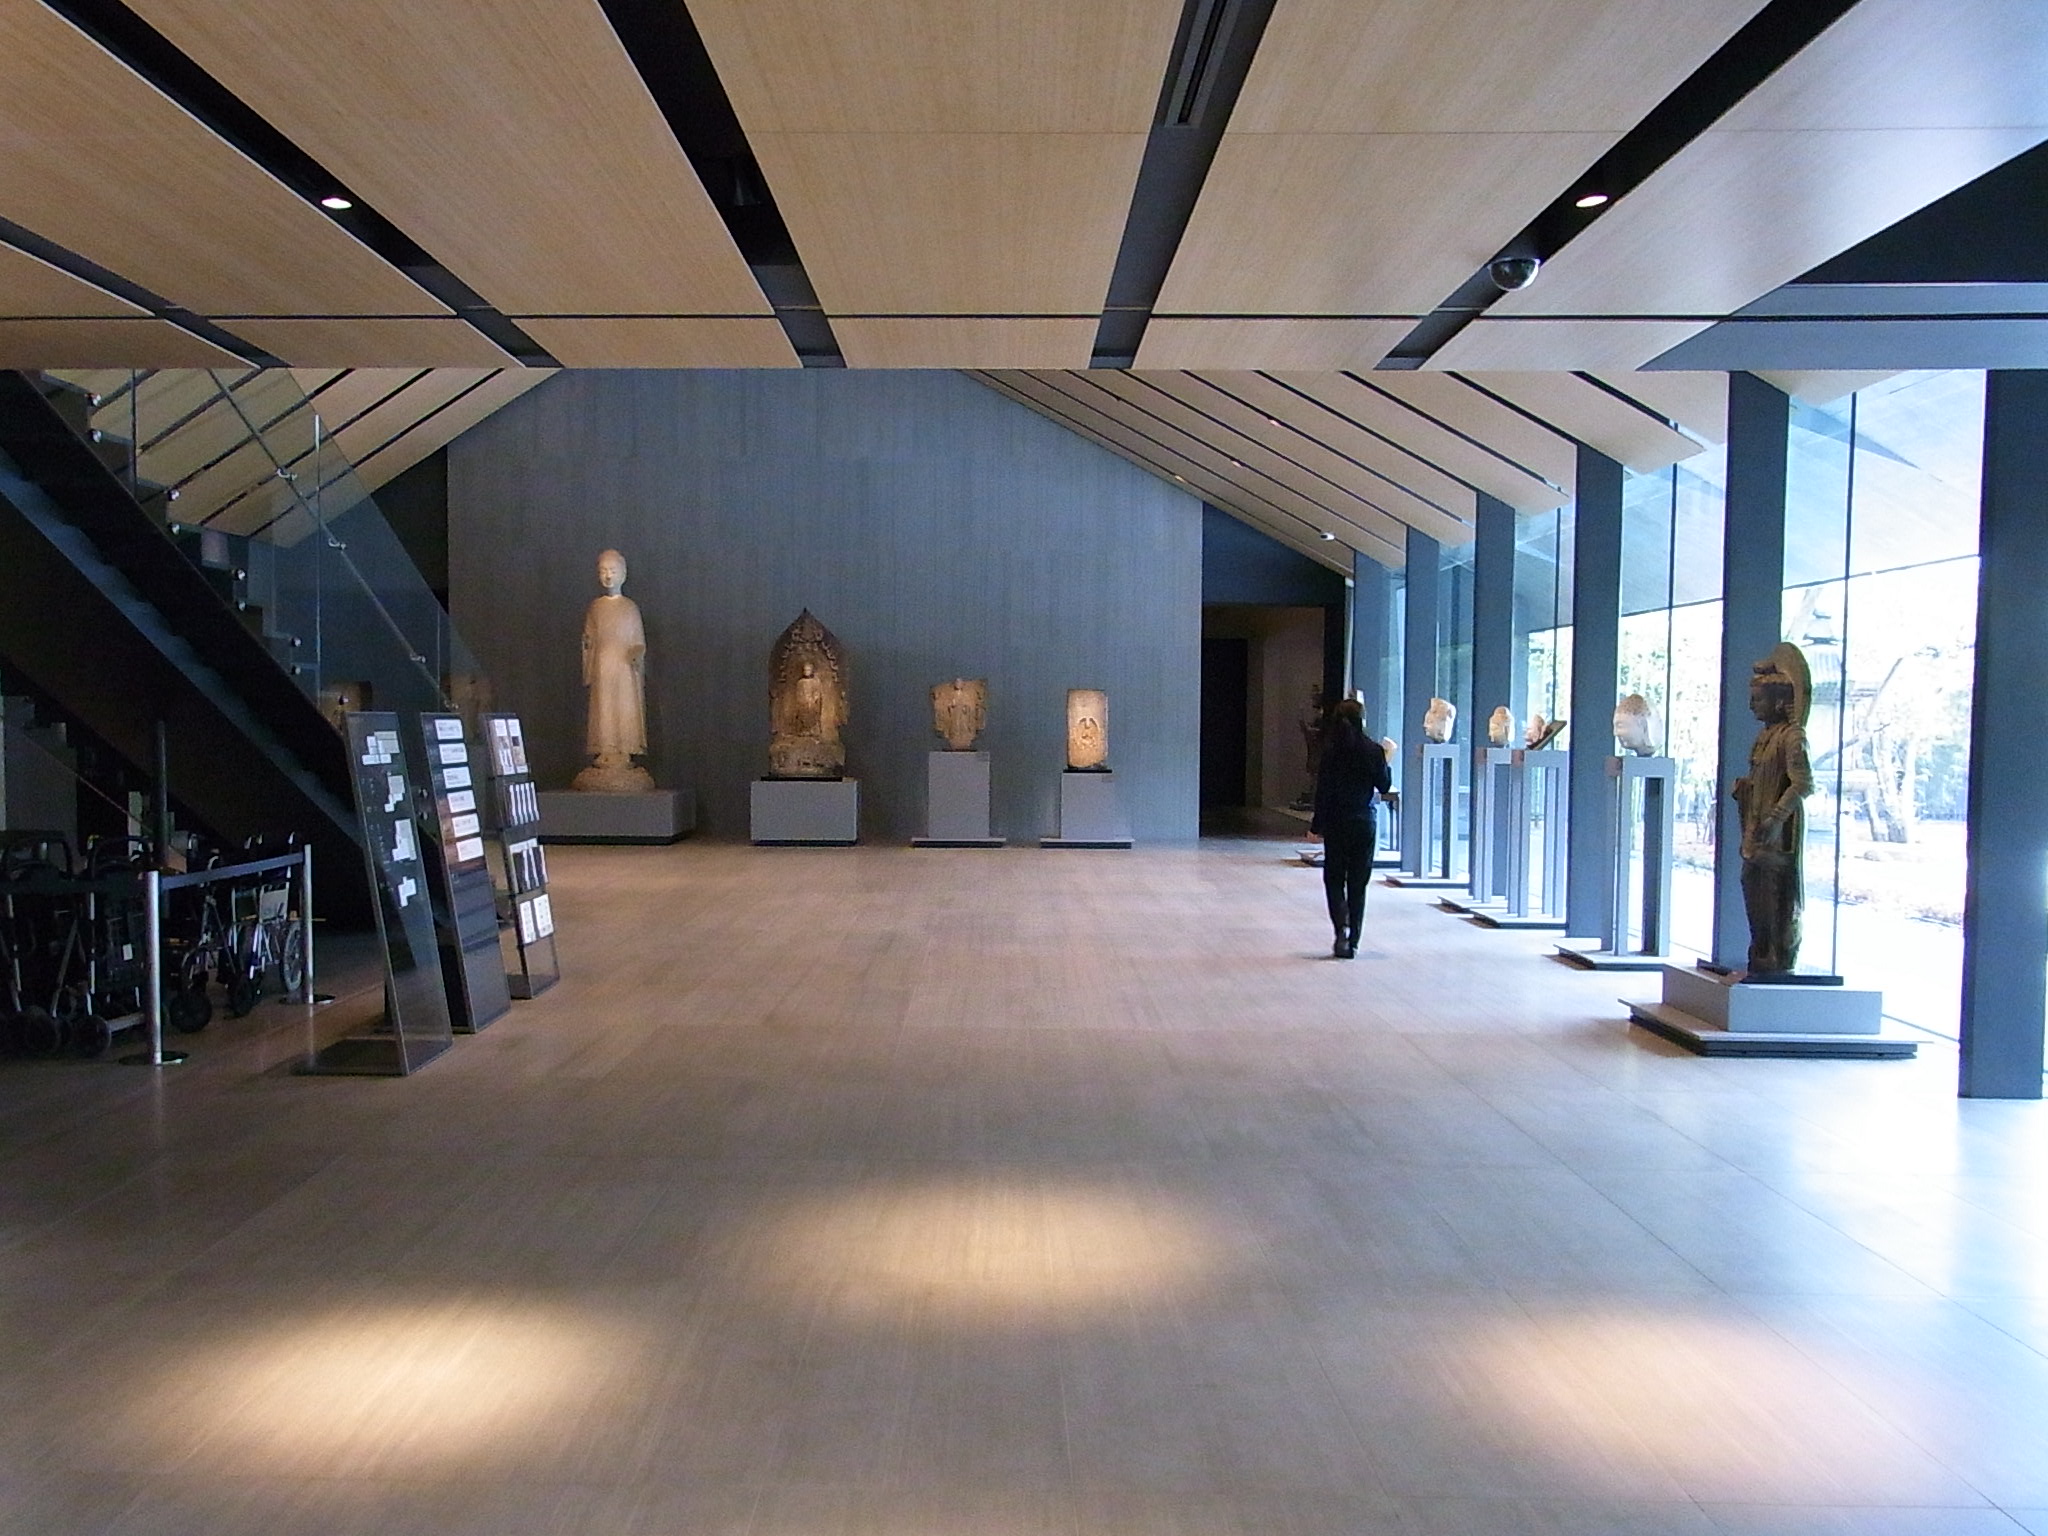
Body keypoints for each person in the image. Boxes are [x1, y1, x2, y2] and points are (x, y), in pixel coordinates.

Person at [1310, 698, 1391, 958]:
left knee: (1334, 878)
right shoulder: (1373, 750)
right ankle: (1354, 939)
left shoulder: (1331, 751)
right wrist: (1386, 760)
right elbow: (1384, 786)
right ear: (1362, 720)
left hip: (1336, 821)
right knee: (1358, 882)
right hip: (1363, 821)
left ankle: (1340, 929)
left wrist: (1316, 825)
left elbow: (1322, 791)